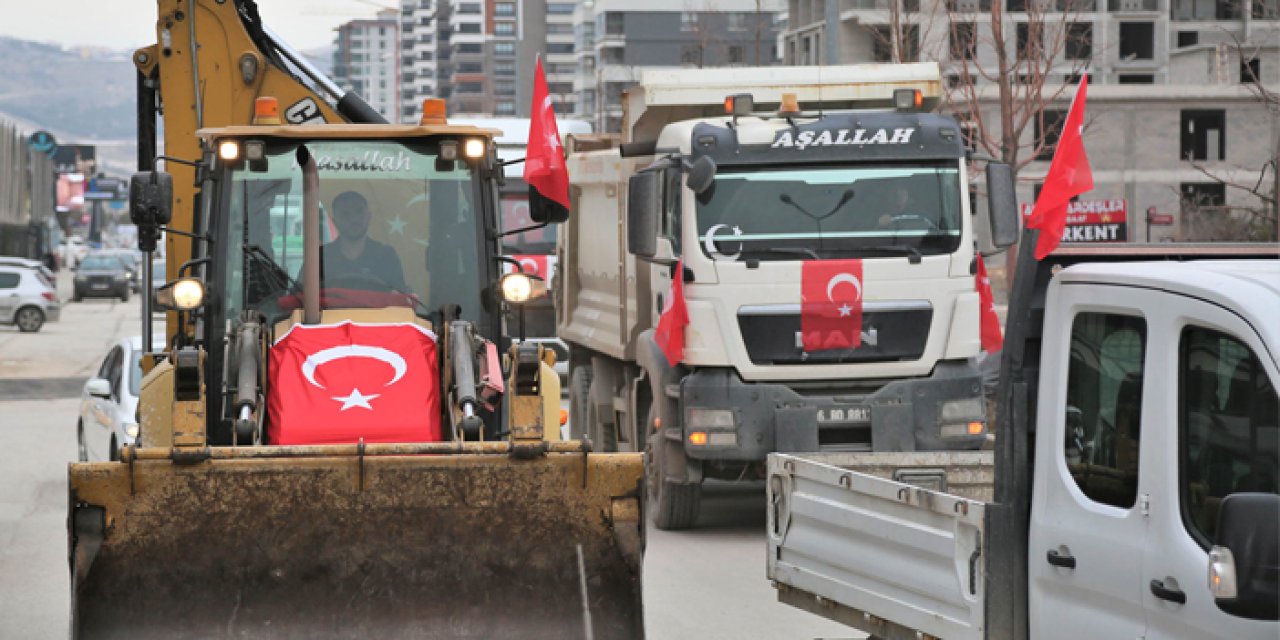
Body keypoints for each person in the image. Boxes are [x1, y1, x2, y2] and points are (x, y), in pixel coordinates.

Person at [321, 191, 408, 292]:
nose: (354, 219)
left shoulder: (386, 256)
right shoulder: (320, 258)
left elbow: (400, 299)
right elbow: (302, 297)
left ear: (369, 216)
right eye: (345, 213)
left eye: (359, 211)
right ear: (334, 221)